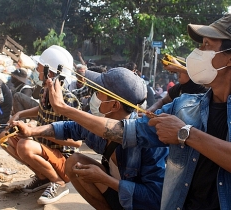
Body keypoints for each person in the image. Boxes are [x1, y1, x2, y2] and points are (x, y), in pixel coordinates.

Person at [42, 13, 231, 209]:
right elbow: (125, 132)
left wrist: (186, 135)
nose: (197, 53)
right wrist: (66, 110)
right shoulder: (187, 104)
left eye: (207, 45)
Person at [11, 67, 168, 210]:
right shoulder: (97, 123)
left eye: (98, 92)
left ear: (114, 106)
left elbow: (154, 198)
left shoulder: (149, 143)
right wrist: (32, 131)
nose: (94, 96)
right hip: (118, 194)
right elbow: (69, 127)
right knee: (74, 162)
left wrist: (105, 179)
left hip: (138, 204)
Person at [0, 45, 81, 205]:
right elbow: (42, 110)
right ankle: (43, 177)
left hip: (65, 161)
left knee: (25, 146)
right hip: (47, 152)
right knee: (4, 138)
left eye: (39, 67)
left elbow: (76, 142)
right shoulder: (45, 92)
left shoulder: (69, 101)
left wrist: (35, 132)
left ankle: (59, 183)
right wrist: (20, 114)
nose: (36, 70)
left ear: (50, 73)